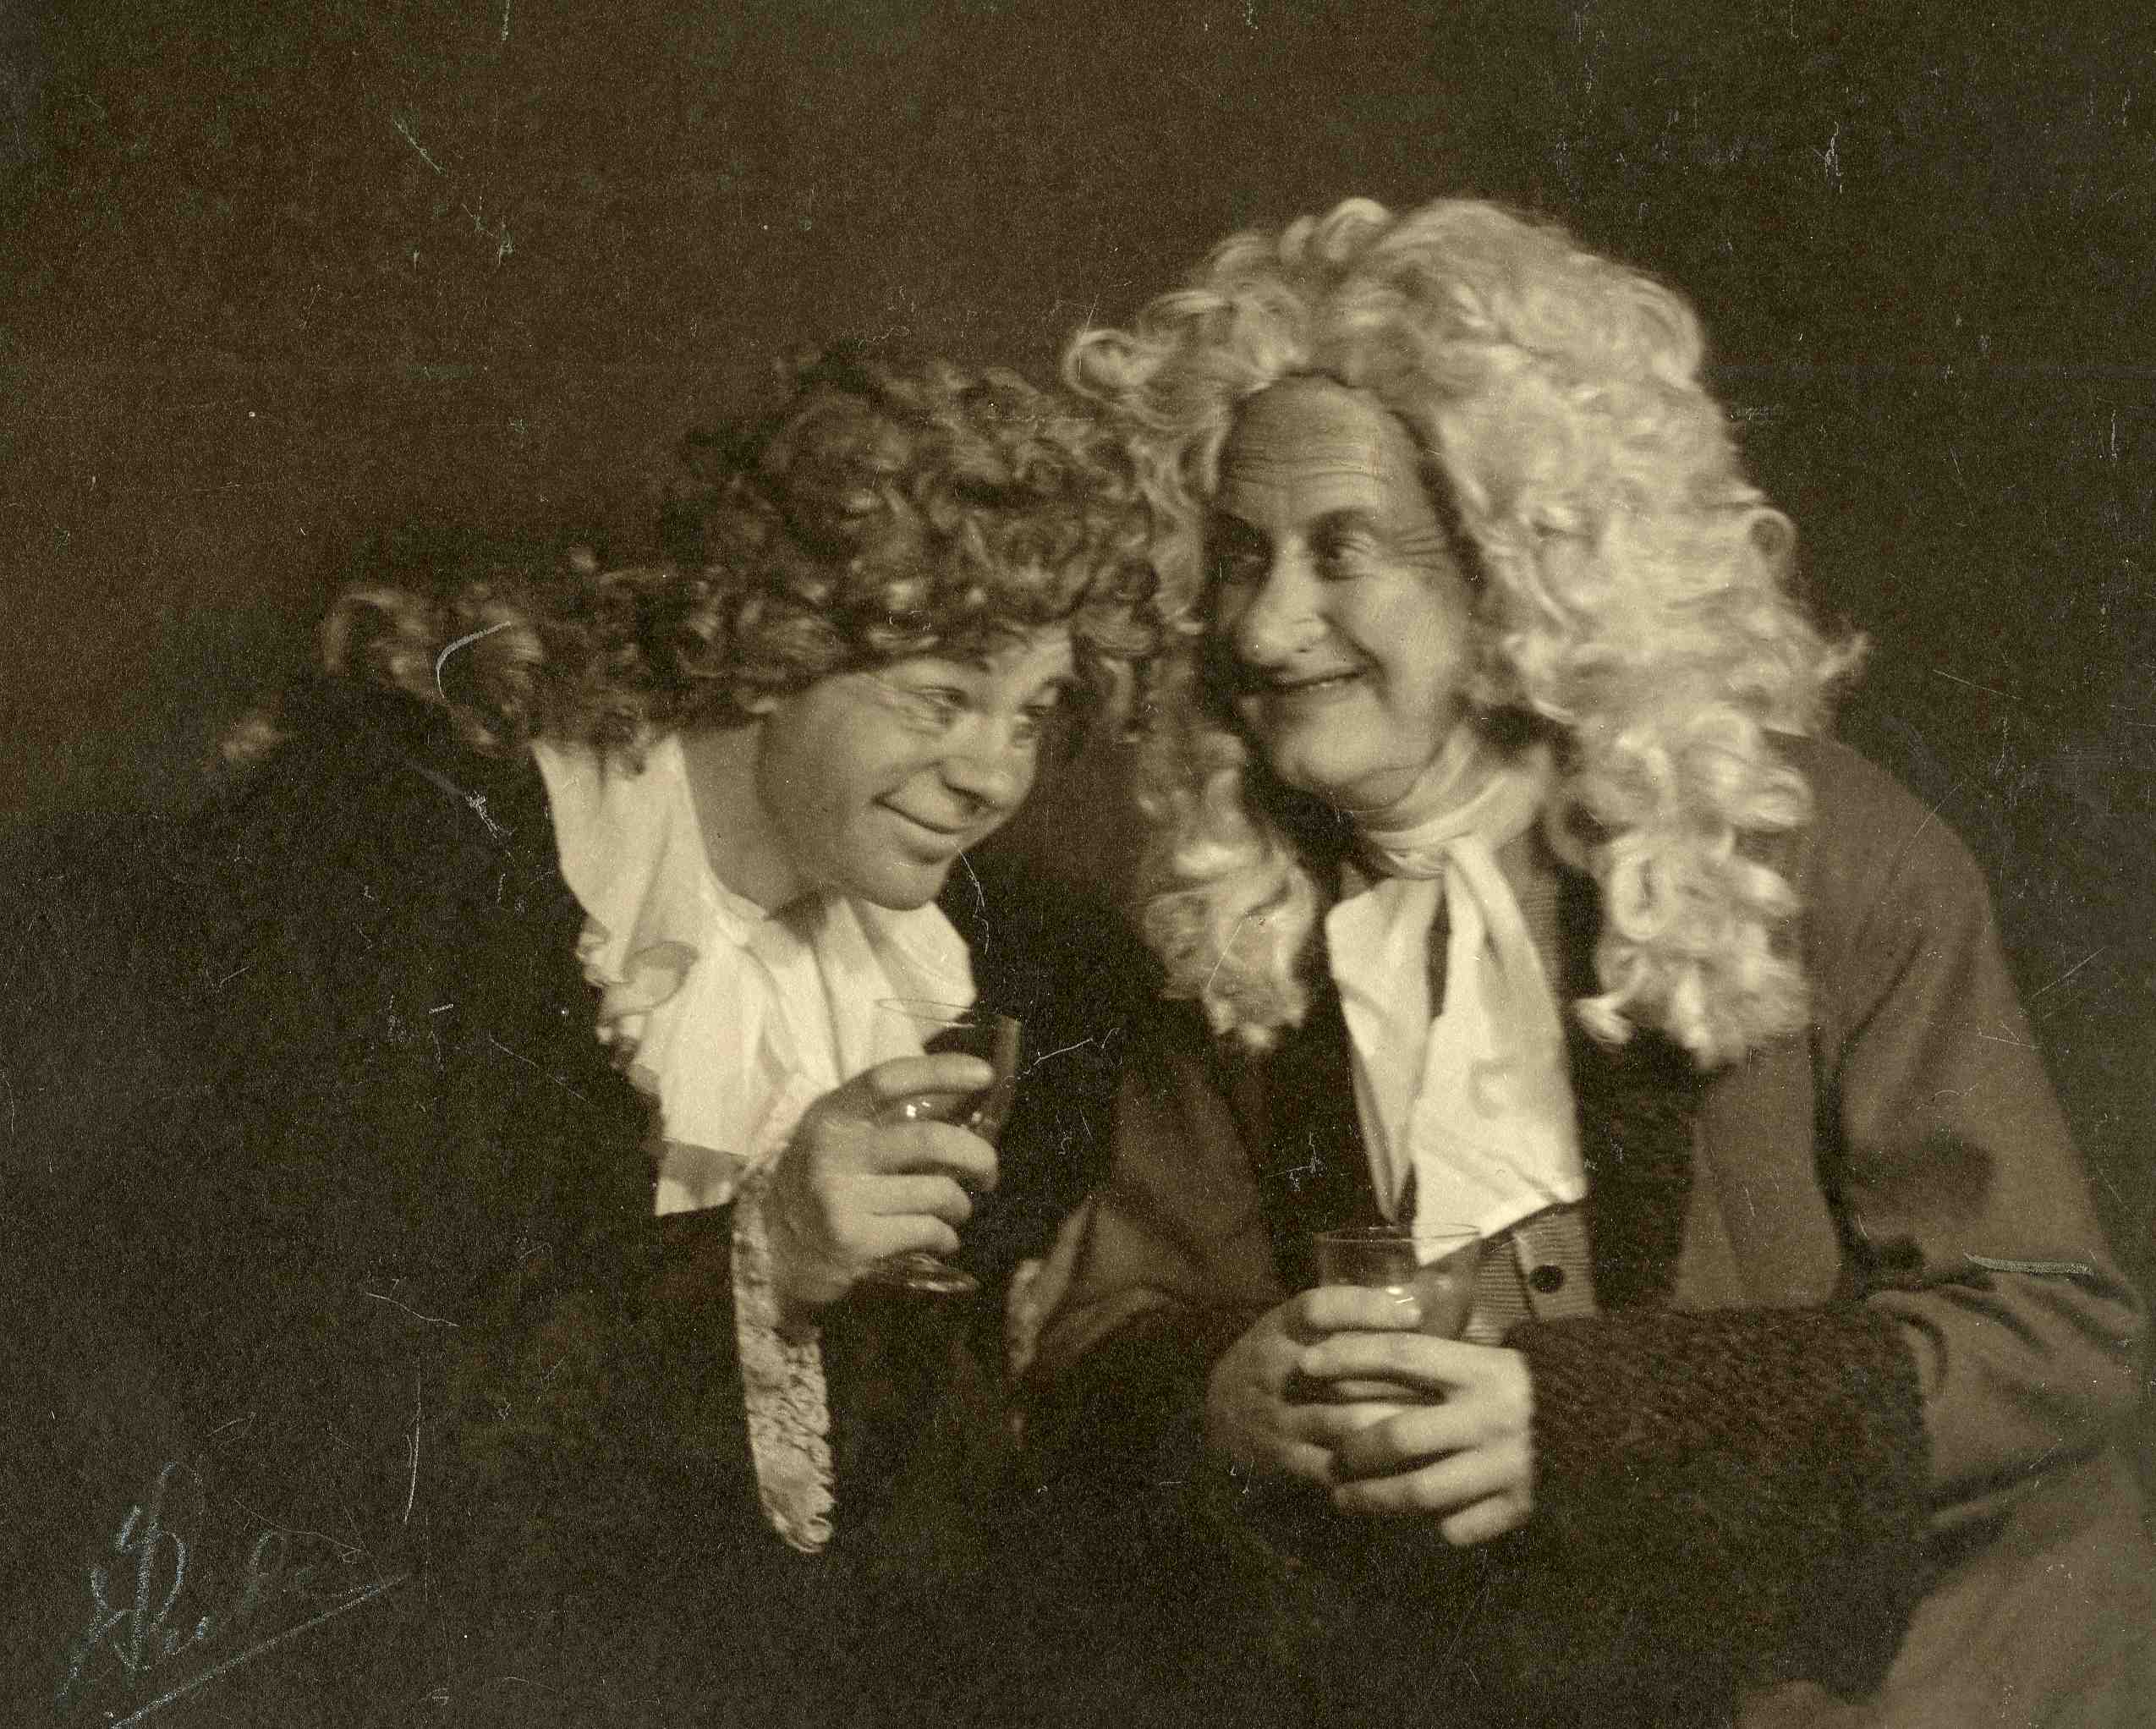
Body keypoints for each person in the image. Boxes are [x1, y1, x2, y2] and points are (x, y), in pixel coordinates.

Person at [1021, 198, 2154, 1729]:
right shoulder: (1242, 912)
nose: (1267, 627)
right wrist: (1226, 1389)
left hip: (1923, 1686)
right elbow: (1107, 1325)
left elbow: (2049, 1330)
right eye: (1237, 557)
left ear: (1516, 569)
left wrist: (1586, 1423)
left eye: (1342, 551)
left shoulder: (1812, 853)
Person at [8, 349, 1161, 1725]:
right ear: (780, 642)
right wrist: (766, 1253)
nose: (994, 774)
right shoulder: (410, 865)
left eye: (1034, 713)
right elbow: (328, 1414)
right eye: (943, 696)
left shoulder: (975, 969)